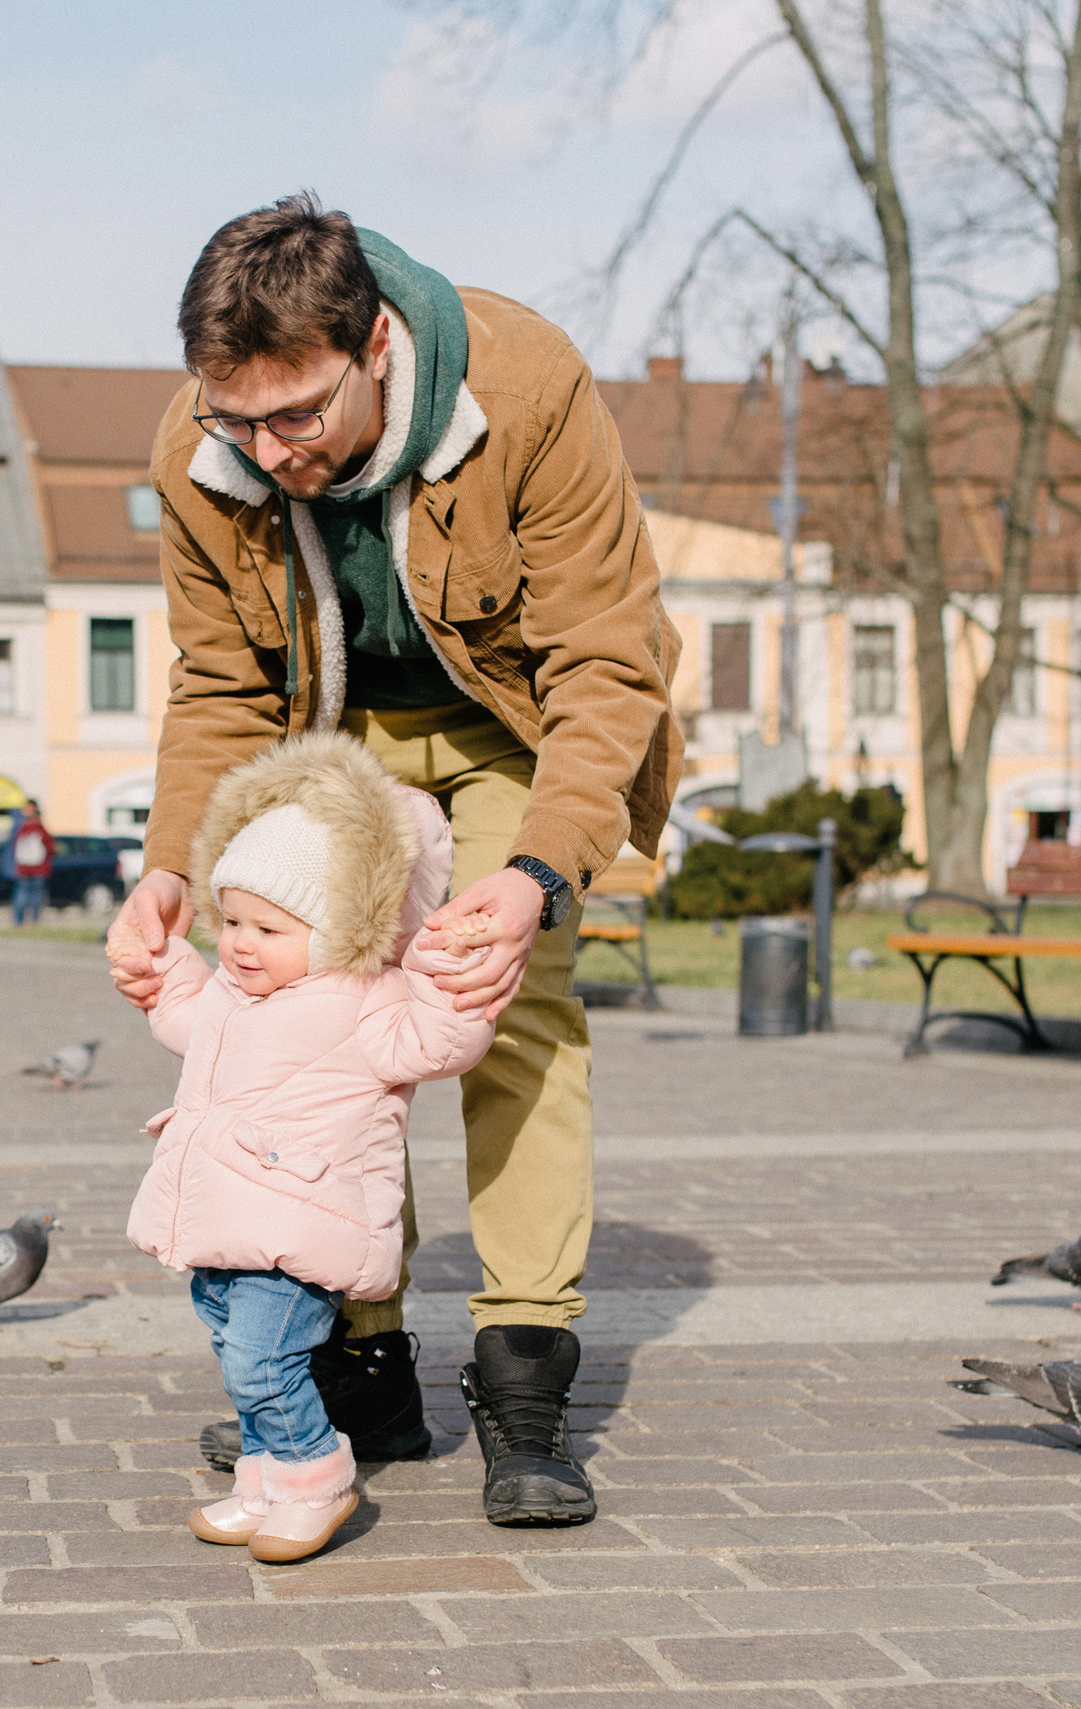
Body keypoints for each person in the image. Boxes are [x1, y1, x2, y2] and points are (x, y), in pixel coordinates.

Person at [107, 193, 680, 1528]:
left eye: (297, 414)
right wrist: (172, 864)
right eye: (238, 420)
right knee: (312, 1013)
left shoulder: (526, 387)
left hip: (512, 728)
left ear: (373, 346)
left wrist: (538, 875)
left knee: (505, 1006)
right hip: (336, 739)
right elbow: (218, 680)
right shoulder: (197, 447)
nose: (268, 451)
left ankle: (524, 1379)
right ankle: (360, 1368)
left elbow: (605, 661)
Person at [115, 734, 495, 1562]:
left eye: (270, 927)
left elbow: (440, 1040)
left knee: (265, 1360)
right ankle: (265, 1479)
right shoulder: (232, 992)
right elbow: (187, 1018)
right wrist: (161, 968)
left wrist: (447, 967)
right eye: (232, 922)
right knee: (236, 1356)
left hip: (297, 1231)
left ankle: (316, 1478)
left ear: (338, 929)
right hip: (223, 1223)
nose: (242, 943)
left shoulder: (367, 1000)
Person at [5, 802, 54, 926]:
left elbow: (14, 848)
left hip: (23, 868)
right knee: (36, 895)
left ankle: (18, 920)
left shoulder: (21, 830)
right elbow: (50, 848)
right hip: (40, 868)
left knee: (21, 894)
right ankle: (34, 920)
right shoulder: (41, 830)